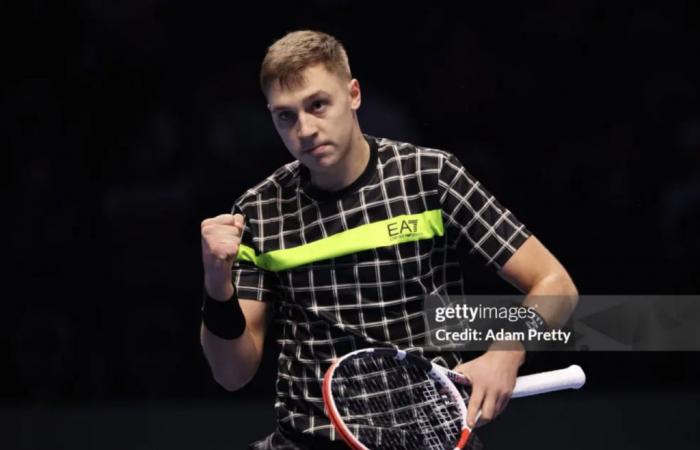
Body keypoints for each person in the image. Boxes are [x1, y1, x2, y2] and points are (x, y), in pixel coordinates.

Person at [199, 30, 578, 449]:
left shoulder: (429, 177)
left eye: (318, 104)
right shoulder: (259, 210)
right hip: (307, 439)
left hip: (426, 438)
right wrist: (217, 282)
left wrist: (506, 353)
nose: (304, 129)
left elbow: (556, 285)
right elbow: (232, 374)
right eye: (285, 116)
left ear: (354, 94)